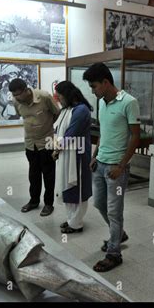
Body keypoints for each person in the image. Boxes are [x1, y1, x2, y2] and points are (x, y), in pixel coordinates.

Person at [83, 62, 141, 272]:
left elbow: (136, 137)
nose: (92, 90)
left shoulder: (129, 102)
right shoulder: (101, 103)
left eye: (94, 86)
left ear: (106, 82)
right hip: (100, 164)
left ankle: (114, 253)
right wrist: (95, 154)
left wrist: (122, 165)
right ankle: (120, 234)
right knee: (99, 203)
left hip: (116, 168)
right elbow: (104, 132)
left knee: (115, 212)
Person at [9, 78, 60, 217]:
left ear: (26, 90)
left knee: (48, 174)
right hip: (30, 143)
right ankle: (34, 201)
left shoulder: (44, 97)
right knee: (33, 174)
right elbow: (21, 115)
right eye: (14, 95)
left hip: (47, 142)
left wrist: (47, 126)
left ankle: (49, 204)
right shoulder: (16, 102)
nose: (16, 98)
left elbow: (57, 112)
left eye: (18, 94)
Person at [52, 81, 93, 234]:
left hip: (78, 155)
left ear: (68, 95)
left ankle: (77, 223)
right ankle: (71, 219)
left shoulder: (81, 110)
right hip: (67, 153)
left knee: (79, 188)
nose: (59, 99)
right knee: (68, 188)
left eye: (60, 96)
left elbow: (71, 133)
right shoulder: (68, 109)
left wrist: (57, 149)